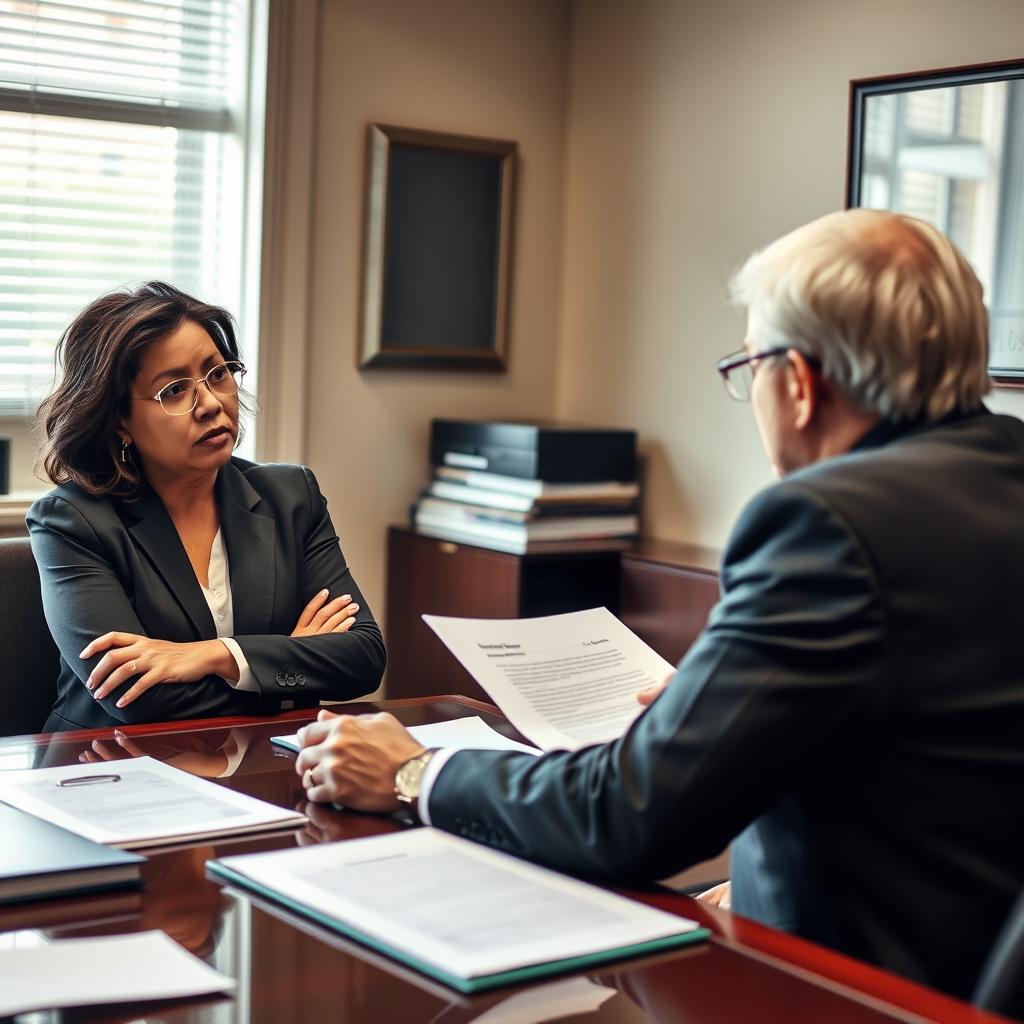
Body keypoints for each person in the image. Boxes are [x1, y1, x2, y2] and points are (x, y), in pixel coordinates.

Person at [293, 209, 1024, 1000]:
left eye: (748, 367)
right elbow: (939, 748)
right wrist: (730, 706)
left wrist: (414, 772)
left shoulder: (827, 522)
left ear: (801, 382)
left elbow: (630, 817)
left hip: (850, 995)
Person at [29, 282, 385, 731]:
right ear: (120, 421)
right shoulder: (72, 521)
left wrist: (213, 656)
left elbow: (364, 656)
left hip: (252, 762)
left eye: (218, 374)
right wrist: (285, 667)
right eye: (175, 390)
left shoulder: (291, 495)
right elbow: (136, 698)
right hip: (107, 769)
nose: (212, 404)